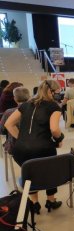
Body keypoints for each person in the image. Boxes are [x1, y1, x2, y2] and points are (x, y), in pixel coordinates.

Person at [5, 80, 65, 214]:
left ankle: (34, 203)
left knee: (29, 173)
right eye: (58, 92)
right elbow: (54, 129)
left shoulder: (25, 105)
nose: (59, 95)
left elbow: (8, 124)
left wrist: (21, 138)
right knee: (50, 171)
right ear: (51, 92)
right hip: (43, 148)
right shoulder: (54, 107)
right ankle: (51, 200)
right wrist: (59, 139)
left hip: (20, 150)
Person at [0, 87, 30, 153]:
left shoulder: (8, 112)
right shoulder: (36, 110)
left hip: (14, 146)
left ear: (15, 98)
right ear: (29, 97)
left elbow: (2, 130)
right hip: (34, 144)